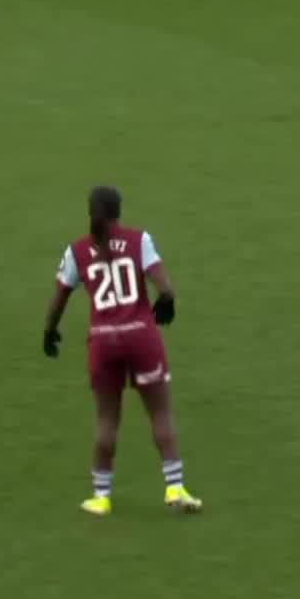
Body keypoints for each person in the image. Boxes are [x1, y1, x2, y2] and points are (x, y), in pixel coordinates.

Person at [42, 186, 204, 517]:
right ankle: (174, 487)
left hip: (102, 342)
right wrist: (166, 300)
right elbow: (165, 287)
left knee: (106, 420)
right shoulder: (137, 240)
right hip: (141, 338)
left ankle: (101, 497)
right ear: (119, 211)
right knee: (159, 413)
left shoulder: (77, 251)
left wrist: (50, 331)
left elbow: (60, 295)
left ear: (91, 212)